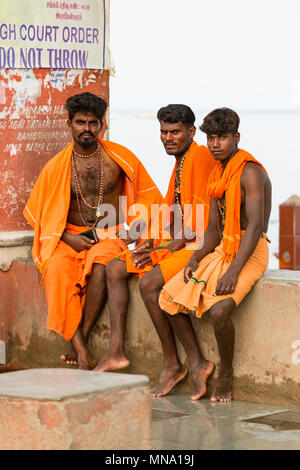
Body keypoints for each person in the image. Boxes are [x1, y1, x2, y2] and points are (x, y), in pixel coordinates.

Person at [23, 92, 163, 370]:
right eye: (80, 122)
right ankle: (82, 351)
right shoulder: (56, 168)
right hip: (69, 236)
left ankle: (79, 342)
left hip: (109, 234)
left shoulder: (120, 159)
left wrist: (137, 230)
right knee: (55, 271)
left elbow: (147, 198)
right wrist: (67, 237)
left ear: (103, 124)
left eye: (93, 122)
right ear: (69, 124)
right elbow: (42, 217)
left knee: (101, 265)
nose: (87, 128)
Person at [94, 104, 216, 396]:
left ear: (191, 131)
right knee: (115, 267)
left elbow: (204, 219)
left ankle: (184, 363)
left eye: (175, 132)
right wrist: (150, 240)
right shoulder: (181, 161)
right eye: (163, 132)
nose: (168, 138)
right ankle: (116, 352)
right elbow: (171, 213)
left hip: (199, 246)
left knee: (150, 284)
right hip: (181, 240)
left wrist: (165, 244)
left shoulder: (200, 157)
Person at [159, 107, 272, 402]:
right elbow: (212, 229)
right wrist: (196, 257)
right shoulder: (217, 172)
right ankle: (197, 363)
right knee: (167, 297)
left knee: (220, 310)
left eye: (221, 138)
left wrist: (233, 270)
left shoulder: (250, 172)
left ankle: (226, 374)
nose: (214, 145)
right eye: (211, 139)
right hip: (223, 248)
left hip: (250, 250)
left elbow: (256, 225)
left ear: (236, 137)